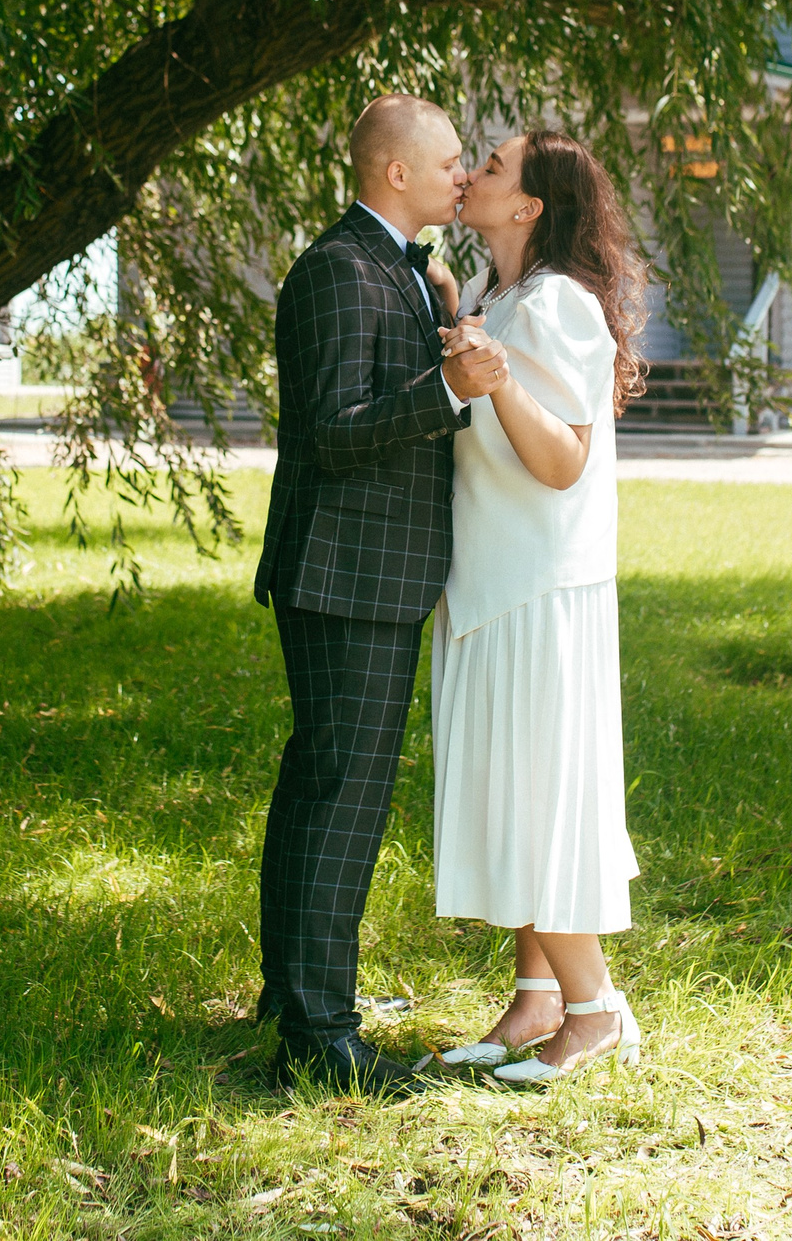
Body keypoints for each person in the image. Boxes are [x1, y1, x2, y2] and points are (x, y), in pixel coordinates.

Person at [253, 93, 508, 1097]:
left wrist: (441, 314)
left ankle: (293, 994)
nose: (462, 175)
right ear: (395, 172)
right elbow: (332, 429)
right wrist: (449, 393)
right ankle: (322, 1036)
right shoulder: (337, 268)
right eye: (448, 162)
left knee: (321, 789)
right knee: (342, 801)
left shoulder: (396, 266)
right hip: (345, 571)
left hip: (369, 572)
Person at [426, 129, 645, 1085]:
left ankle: (596, 1011)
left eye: (492, 167)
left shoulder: (557, 303)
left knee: (537, 794)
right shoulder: (500, 293)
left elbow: (564, 461)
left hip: (539, 589)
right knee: (511, 790)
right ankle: (536, 996)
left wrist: (498, 373)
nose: (470, 174)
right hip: (494, 578)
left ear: (528, 206)